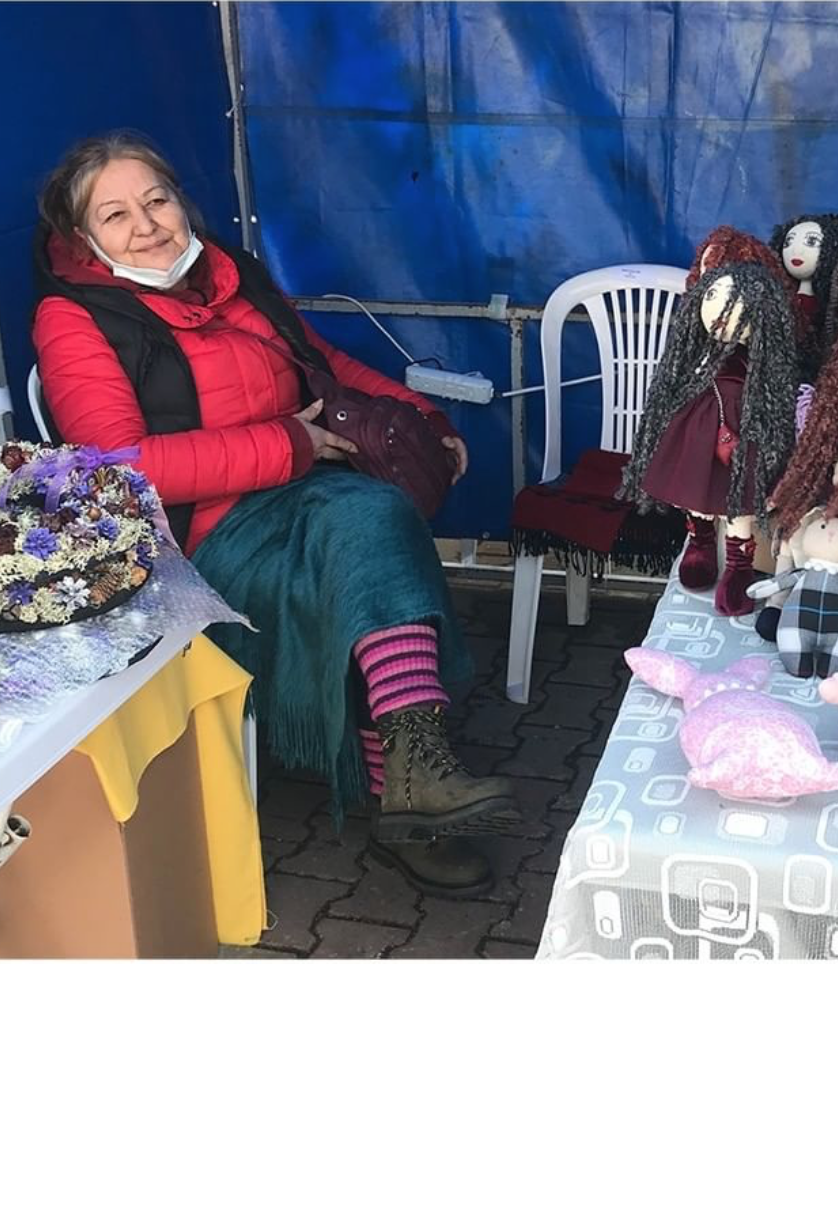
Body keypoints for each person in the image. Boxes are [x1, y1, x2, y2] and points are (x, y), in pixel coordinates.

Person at [31, 131, 518, 898]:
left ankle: (410, 783)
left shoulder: (230, 277)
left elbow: (326, 366)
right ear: (83, 238)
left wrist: (424, 418)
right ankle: (408, 779)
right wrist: (290, 443)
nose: (148, 226)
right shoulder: (75, 319)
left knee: (365, 526)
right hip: (197, 539)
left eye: (157, 200)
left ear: (182, 202)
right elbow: (120, 469)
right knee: (365, 522)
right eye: (116, 215)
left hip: (306, 495)